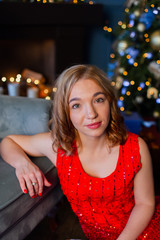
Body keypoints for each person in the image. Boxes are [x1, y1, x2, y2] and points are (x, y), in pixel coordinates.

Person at [0, 64, 160, 240]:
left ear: (110, 102)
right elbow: (9, 141)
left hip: (144, 232)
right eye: (76, 105)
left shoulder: (136, 147)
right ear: (65, 112)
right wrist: (22, 164)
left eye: (98, 100)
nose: (91, 113)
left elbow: (145, 204)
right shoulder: (58, 146)